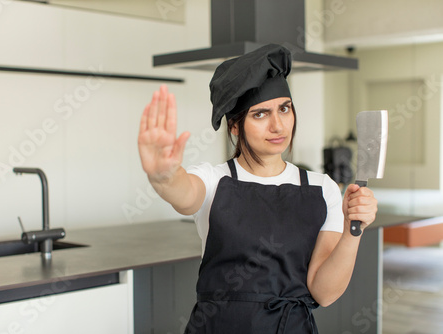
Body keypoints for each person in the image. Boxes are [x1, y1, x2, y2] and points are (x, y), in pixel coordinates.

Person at [138, 44, 377, 334]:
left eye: (284, 109)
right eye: (260, 114)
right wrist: (164, 176)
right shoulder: (214, 179)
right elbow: (185, 194)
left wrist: (354, 229)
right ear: (235, 126)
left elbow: (324, 293)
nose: (278, 126)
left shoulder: (321, 188)